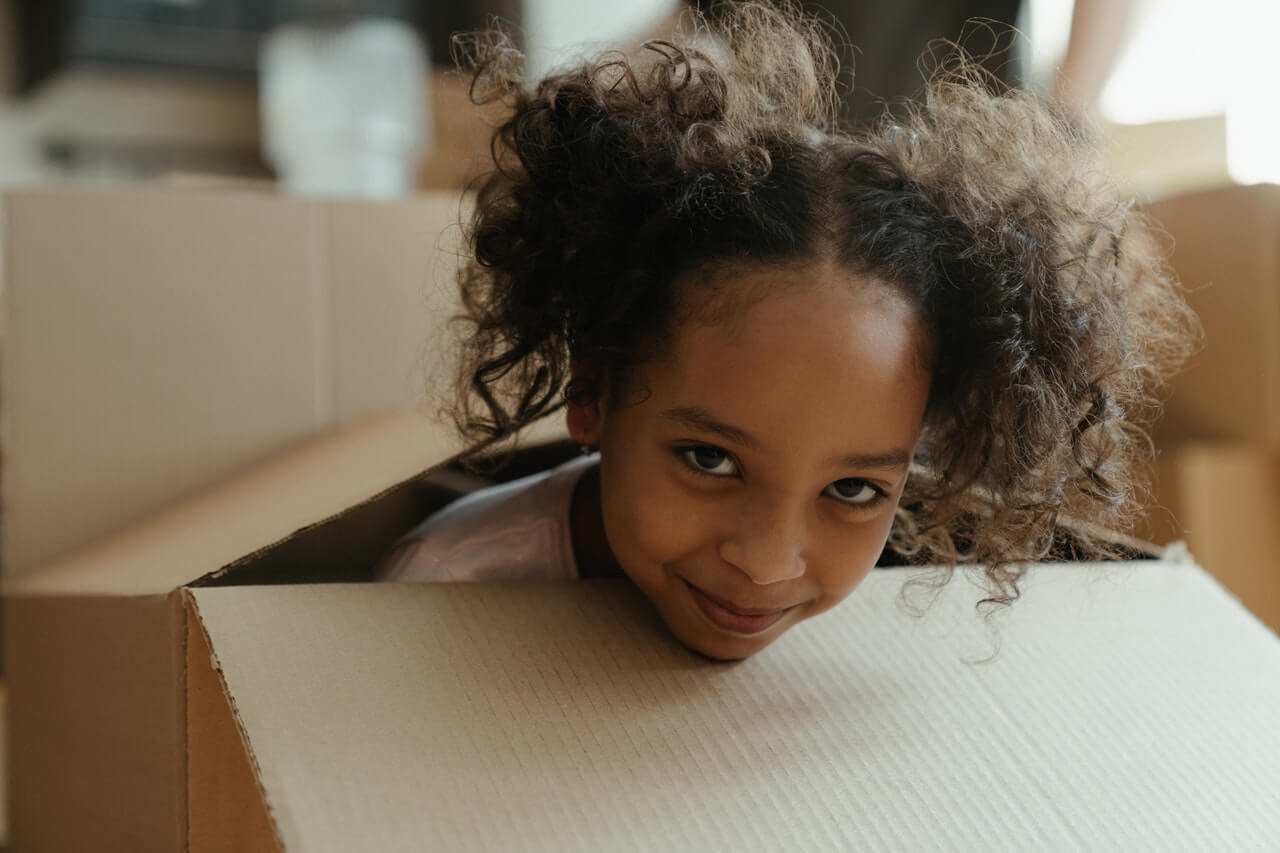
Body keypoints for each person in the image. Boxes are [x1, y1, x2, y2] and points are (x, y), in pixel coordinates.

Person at [378, 3, 1195, 661]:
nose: (768, 562)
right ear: (593, 387)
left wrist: (1074, 126)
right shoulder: (449, 588)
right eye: (710, 458)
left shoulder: (927, 623)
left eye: (853, 489)